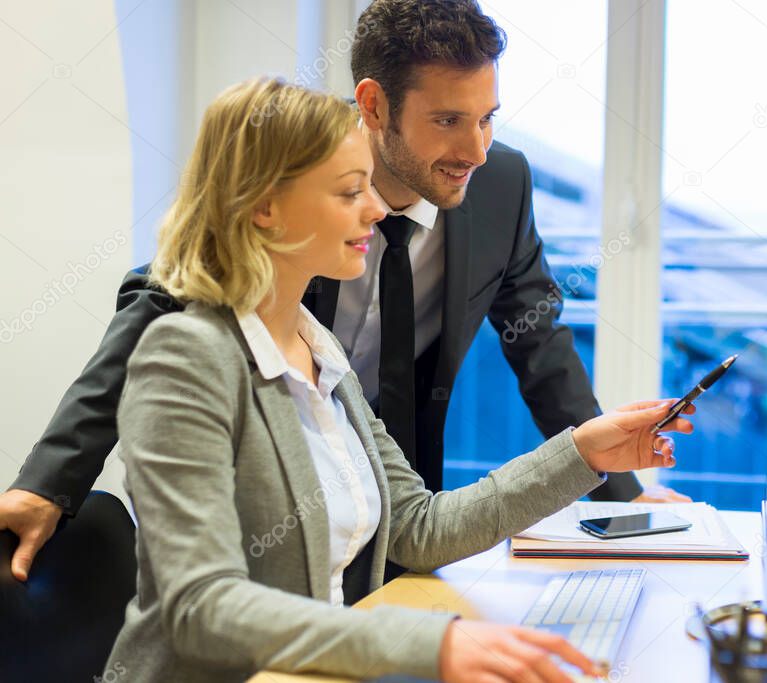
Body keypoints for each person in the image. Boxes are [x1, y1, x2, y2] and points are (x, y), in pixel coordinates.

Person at [0, 0, 688, 584]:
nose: (476, 149)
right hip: (265, 499)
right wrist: (49, 479)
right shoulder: (303, 163)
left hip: (392, 487)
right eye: (449, 120)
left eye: (488, 118)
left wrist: (621, 492)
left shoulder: (499, 185)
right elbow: (166, 295)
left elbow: (538, 342)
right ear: (373, 105)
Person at [101, 77, 694, 683]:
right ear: (265, 207)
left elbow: (420, 528)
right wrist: (426, 642)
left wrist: (583, 452)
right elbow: (202, 606)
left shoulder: (316, 345)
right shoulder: (186, 359)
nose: (378, 209)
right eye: (349, 191)